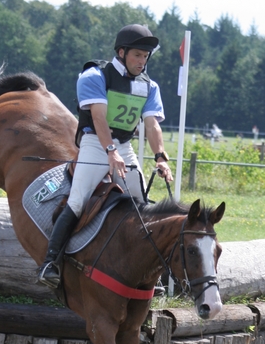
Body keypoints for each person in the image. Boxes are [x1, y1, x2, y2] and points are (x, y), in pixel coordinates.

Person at [37, 23, 173, 289]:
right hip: (94, 144)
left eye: (146, 57)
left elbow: (152, 125)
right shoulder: (94, 75)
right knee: (77, 201)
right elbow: (98, 117)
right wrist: (110, 152)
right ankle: (50, 263)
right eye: (137, 55)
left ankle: (147, 273)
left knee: (140, 204)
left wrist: (160, 157)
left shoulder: (149, 86)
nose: (142, 62)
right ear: (121, 52)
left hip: (123, 145)